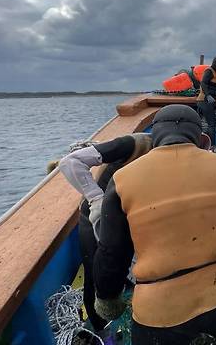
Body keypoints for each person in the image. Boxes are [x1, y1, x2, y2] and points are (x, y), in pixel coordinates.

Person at [93, 104, 216, 344]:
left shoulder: (122, 180)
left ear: (154, 137)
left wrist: (108, 300)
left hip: (160, 311)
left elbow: (112, 253)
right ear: (200, 138)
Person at [59, 133, 153, 333]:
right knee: (97, 273)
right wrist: (96, 199)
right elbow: (70, 163)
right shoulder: (132, 144)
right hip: (96, 215)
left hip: (124, 211)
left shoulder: (169, 159)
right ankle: (99, 329)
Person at [197, 55, 216, 145]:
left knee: (205, 123)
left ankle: (203, 143)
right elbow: (203, 83)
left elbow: (215, 87)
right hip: (204, 100)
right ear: (215, 63)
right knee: (212, 124)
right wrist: (208, 95)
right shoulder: (209, 71)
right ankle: (212, 145)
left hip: (209, 101)